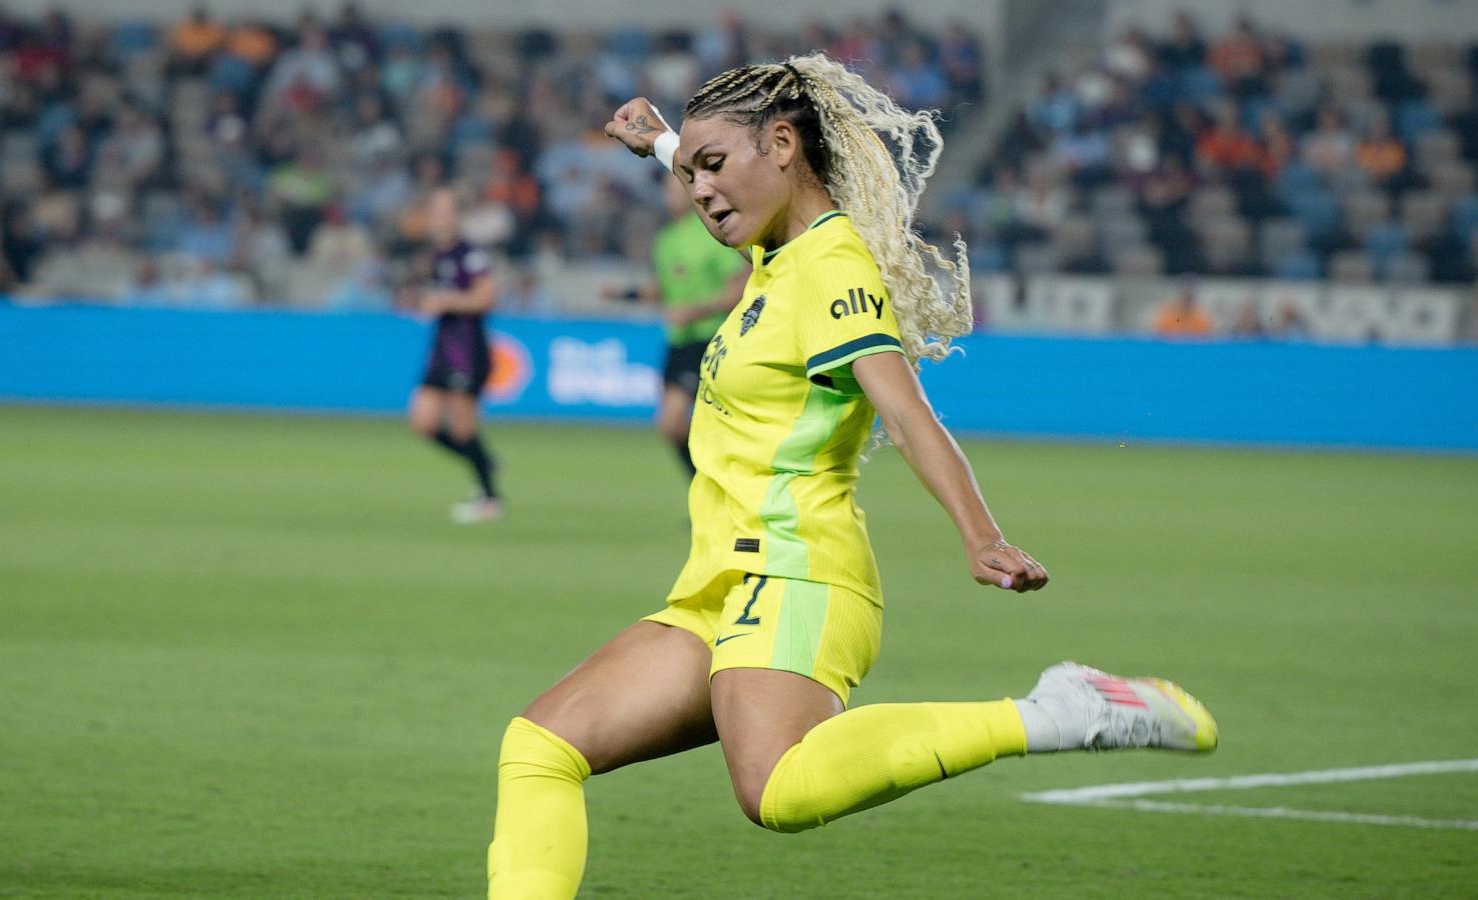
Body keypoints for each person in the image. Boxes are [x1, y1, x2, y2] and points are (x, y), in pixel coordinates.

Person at [486, 55, 1217, 899]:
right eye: (690, 178)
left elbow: (907, 413)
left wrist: (982, 536)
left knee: (779, 790)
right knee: (539, 747)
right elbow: (731, 173)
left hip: (797, 571)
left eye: (713, 168)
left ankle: (1062, 712)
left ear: (786, 144)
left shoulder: (831, 268)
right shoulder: (778, 249)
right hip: (722, 584)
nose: (699, 193)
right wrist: (667, 146)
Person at [403, 188, 502, 523]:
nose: (441, 217)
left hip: (467, 350)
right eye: (436, 210)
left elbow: (486, 297)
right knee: (423, 421)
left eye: (447, 210)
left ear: (457, 216)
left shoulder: (469, 254)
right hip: (442, 348)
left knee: (462, 428)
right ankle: (483, 460)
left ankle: (489, 497)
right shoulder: (434, 256)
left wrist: (445, 301)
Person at [651, 171, 749, 477]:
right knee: (671, 426)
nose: (669, 196)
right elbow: (666, 290)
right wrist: (625, 293)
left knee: (673, 419)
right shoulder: (666, 238)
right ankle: (710, 487)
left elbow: (739, 287)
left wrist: (697, 311)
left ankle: (711, 486)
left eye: (674, 188)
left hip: (710, 338)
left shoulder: (710, 233)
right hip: (678, 341)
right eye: (665, 190)